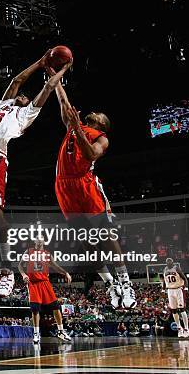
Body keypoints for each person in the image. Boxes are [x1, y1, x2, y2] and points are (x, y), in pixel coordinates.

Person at [0, 52, 72, 297]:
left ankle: (6, 271)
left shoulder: (25, 114)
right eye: (21, 96)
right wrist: (40, 61)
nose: (22, 96)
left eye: (24, 97)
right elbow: (16, 81)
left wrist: (60, 70)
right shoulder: (4, 106)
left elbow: (47, 88)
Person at [49, 74, 136, 309]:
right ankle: (110, 284)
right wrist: (55, 79)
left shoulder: (101, 138)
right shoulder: (73, 126)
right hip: (64, 187)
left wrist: (77, 128)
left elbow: (89, 155)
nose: (94, 112)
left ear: (102, 125)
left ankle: (126, 283)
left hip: (85, 185)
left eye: (99, 115)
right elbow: (64, 104)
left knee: (107, 237)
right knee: (86, 243)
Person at [17, 240, 72, 344]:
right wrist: (24, 275)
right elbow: (20, 265)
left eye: (41, 239)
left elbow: (55, 266)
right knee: (35, 309)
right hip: (33, 283)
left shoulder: (47, 254)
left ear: (44, 242)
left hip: (45, 283)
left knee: (56, 307)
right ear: (34, 241)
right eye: (37, 239)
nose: (39, 241)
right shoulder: (28, 252)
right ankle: (36, 333)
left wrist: (65, 273)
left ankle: (61, 331)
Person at [162, 258, 189, 338]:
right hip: (170, 290)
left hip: (178, 289)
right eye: (167, 262)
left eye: (170, 262)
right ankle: (179, 328)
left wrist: (186, 288)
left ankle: (186, 329)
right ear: (166, 263)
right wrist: (163, 290)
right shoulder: (165, 269)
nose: (169, 263)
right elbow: (164, 281)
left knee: (181, 309)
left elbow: (184, 278)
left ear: (172, 262)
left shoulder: (177, 268)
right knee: (173, 310)